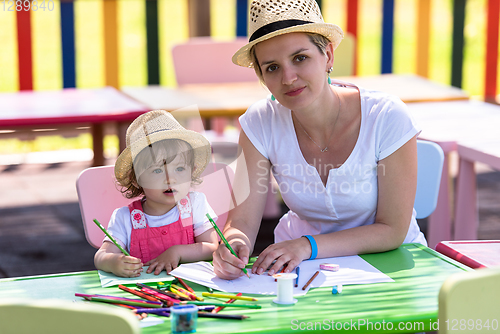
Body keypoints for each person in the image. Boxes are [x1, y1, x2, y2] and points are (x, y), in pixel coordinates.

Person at [213, 0, 427, 280]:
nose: (288, 78)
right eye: (272, 68)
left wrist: (307, 245)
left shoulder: (386, 115)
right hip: (302, 271)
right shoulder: (259, 121)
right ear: (262, 77)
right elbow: (240, 221)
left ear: (327, 55)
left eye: (300, 58)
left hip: (391, 264)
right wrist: (233, 244)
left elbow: (392, 230)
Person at [95, 110, 219, 277]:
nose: (171, 179)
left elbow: (211, 247)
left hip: (193, 289)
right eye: (158, 170)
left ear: (192, 171)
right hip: (145, 293)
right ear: (136, 178)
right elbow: (100, 256)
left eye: (180, 168)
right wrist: (113, 262)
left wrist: (177, 252)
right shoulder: (125, 218)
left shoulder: (196, 204)